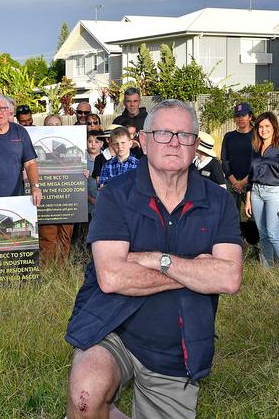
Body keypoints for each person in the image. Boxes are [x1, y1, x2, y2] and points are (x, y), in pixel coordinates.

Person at [65, 99, 242, 419]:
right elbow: (111, 277)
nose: (174, 142)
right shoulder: (115, 195)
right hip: (112, 326)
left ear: (196, 144)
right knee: (85, 399)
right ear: (143, 142)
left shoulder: (218, 200)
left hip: (177, 345)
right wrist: (195, 270)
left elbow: (229, 278)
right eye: (163, 133)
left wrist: (158, 259)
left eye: (184, 135)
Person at [244, 112, 279, 270]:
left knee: (273, 233)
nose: (263, 130)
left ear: (274, 127)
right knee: (262, 233)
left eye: (267, 126)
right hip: (256, 193)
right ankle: (268, 269)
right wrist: (248, 199)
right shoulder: (256, 148)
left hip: (274, 194)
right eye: (260, 127)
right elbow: (251, 176)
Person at [37, 113, 74, 265]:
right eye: (50, 125)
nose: (54, 128)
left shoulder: (70, 143)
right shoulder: (38, 145)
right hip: (48, 199)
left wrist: (83, 172)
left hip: (67, 199)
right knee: (48, 238)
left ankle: (61, 270)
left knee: (65, 236)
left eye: (57, 125)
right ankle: (46, 271)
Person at [220, 102, 254, 215]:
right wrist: (234, 182)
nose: (240, 119)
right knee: (232, 217)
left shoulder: (257, 135)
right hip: (231, 183)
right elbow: (224, 160)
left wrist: (244, 182)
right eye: (237, 116)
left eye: (243, 115)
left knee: (254, 217)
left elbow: (260, 161)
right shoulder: (229, 136)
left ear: (250, 116)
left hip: (251, 182)